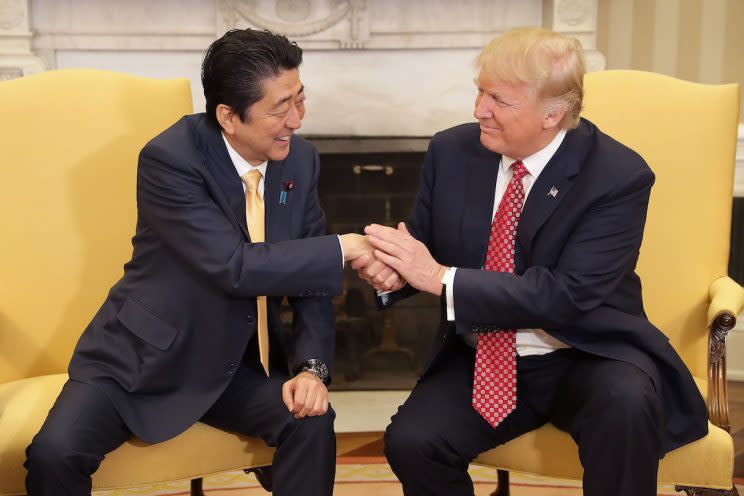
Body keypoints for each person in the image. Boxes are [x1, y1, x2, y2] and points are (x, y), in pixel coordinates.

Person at [353, 26, 708, 496]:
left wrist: (436, 276)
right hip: (483, 355)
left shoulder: (617, 176)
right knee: (412, 442)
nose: (480, 110)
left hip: (585, 353)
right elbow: (426, 244)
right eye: (480, 92)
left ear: (553, 114)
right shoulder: (452, 151)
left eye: (499, 99)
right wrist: (392, 273)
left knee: (626, 406)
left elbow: (566, 296)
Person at [24, 28, 373, 496]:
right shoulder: (170, 159)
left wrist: (312, 369)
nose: (296, 119)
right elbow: (234, 266)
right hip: (145, 359)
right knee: (54, 454)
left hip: (234, 367)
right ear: (228, 115)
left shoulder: (300, 160)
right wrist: (342, 247)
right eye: (279, 108)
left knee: (311, 421)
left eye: (299, 99)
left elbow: (310, 278)